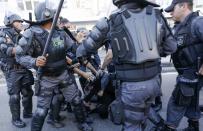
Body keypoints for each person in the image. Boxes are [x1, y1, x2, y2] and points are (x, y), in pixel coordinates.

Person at [76, 0, 177, 130]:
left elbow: (82, 51)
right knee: (142, 119)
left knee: (132, 126)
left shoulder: (111, 20)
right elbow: (172, 47)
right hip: (154, 82)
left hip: (132, 86)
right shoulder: (157, 15)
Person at [15, 2, 93, 131]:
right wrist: (34, 61)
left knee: (76, 100)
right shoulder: (31, 34)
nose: (59, 18)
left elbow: (72, 48)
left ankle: (82, 123)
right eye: (56, 15)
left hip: (63, 74)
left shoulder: (60, 32)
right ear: (49, 16)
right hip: (46, 78)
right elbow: (19, 56)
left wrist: (81, 45)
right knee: (41, 111)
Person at [163, 0, 203, 130]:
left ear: (183, 6)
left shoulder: (197, 22)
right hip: (189, 73)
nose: (170, 13)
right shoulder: (179, 26)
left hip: (191, 72)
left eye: (172, 10)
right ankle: (193, 125)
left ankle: (169, 127)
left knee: (177, 100)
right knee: (192, 99)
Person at [0, 12, 34, 128]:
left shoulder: (21, 35)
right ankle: (15, 119)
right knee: (14, 95)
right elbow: (9, 51)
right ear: (10, 22)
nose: (21, 23)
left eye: (21, 22)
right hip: (12, 69)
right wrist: (24, 47)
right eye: (18, 21)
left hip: (23, 67)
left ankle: (27, 113)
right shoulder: (3, 34)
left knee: (27, 92)